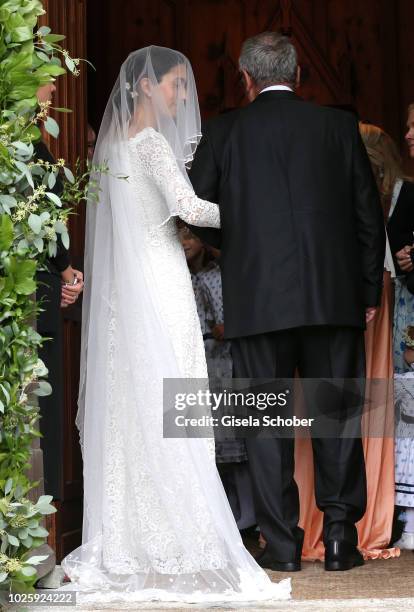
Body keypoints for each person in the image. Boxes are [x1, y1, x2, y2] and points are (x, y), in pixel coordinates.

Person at [59, 46, 290, 605]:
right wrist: (255, 203)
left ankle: (128, 543)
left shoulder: (109, 146)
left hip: (125, 297)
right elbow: (192, 207)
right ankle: (180, 539)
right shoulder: (152, 144)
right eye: (176, 86)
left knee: (136, 408)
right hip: (160, 284)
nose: (182, 97)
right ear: (145, 87)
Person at [189, 32, 385, 572]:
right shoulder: (339, 127)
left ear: (246, 79)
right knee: (337, 418)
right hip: (333, 299)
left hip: (256, 303)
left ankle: (281, 546)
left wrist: (244, 248)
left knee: (264, 423)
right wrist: (367, 292)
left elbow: (194, 212)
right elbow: (368, 217)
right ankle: (342, 542)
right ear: (298, 75)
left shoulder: (225, 130)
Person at [35, 82, 84, 498]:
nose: (54, 85)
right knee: (40, 403)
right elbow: (45, 221)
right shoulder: (27, 149)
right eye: (46, 76)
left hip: (45, 283)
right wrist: (67, 270)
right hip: (36, 288)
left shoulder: (31, 142)